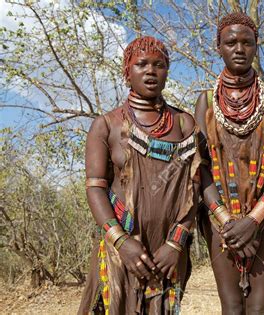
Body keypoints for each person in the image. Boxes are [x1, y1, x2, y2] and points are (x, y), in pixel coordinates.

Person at [78, 36, 200, 314]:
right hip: (122, 247)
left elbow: (194, 187)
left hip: (168, 251)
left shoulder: (184, 123)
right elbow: (95, 188)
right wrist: (121, 242)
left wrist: (176, 243)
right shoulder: (106, 125)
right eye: (141, 64)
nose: (150, 71)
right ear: (127, 72)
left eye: (159, 64)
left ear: (167, 71)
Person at [194, 12, 264, 314]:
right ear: (218, 47)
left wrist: (253, 220)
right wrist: (228, 222)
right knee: (232, 307)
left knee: (259, 308)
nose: (239, 48)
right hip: (219, 221)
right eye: (231, 42)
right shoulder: (206, 101)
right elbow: (201, 167)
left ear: (256, 45)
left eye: (247, 42)